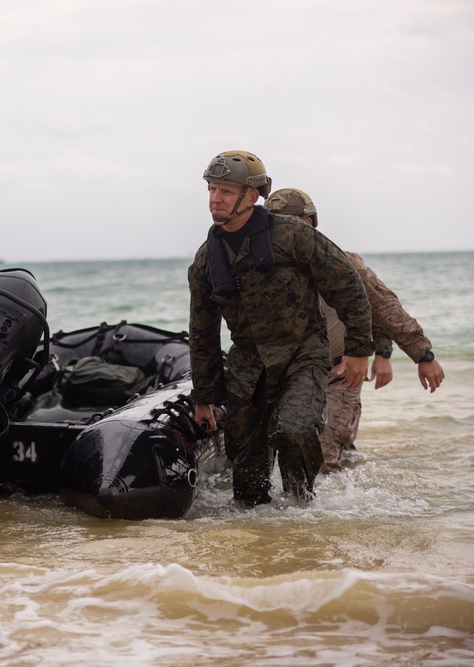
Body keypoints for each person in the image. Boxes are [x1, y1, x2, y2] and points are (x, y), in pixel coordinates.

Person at [188, 151, 373, 506]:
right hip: (247, 367)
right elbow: (202, 331)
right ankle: (262, 541)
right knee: (247, 482)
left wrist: (359, 349)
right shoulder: (205, 260)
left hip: (301, 355)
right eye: (212, 189)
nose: (215, 198)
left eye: (226, 190)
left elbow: (348, 284)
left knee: (296, 432)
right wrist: (204, 397)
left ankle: (302, 511)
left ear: (252, 195)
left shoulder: (294, 237)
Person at [264, 188, 446, 473]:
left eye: (289, 224)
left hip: (339, 372)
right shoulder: (258, 268)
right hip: (289, 374)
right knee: (284, 448)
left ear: (309, 223)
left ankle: (334, 507)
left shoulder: (342, 262)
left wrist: (421, 355)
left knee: (324, 459)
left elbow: (382, 307)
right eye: (274, 225)